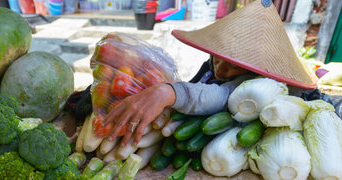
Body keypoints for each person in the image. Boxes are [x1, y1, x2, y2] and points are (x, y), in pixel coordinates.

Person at [103, 0, 318, 146]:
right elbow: (198, 86)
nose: (220, 69)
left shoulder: (258, 86)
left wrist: (168, 92)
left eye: (233, 66)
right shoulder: (211, 66)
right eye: (218, 58)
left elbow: (221, 96)